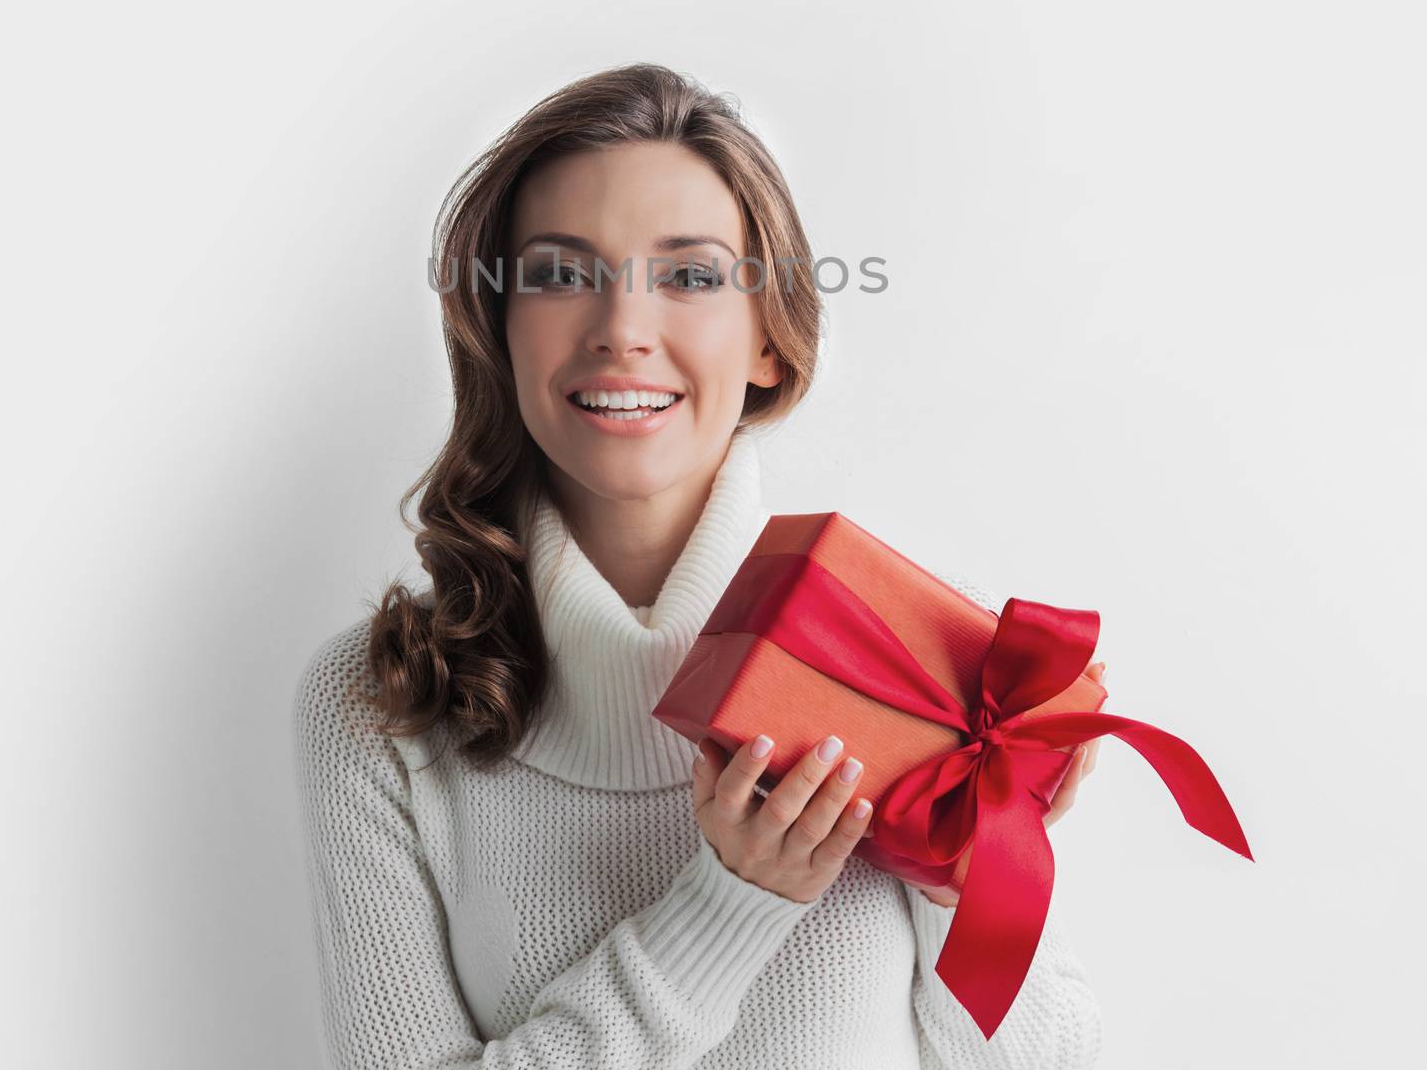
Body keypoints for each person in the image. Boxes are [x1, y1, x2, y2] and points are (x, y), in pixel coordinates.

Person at [292, 62, 1105, 1068]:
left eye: (689, 275)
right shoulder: (380, 701)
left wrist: (966, 885)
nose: (623, 330)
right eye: (558, 273)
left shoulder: (926, 648)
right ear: (498, 332)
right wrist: (729, 907)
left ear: (769, 336)